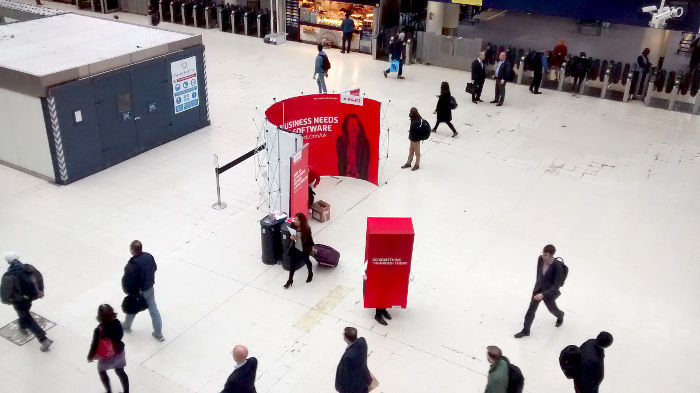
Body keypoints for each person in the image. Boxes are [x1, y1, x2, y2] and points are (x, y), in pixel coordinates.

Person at [0, 251, 53, 352]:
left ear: (8, 262)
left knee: (26, 317)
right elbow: (39, 278)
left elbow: (4, 294)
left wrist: (7, 301)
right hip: (32, 297)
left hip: (19, 301)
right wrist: (40, 291)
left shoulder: (8, 276)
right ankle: (22, 326)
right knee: (24, 314)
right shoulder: (29, 268)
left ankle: (43, 339)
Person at [514, 244, 566, 338]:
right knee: (531, 310)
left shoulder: (558, 268)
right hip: (538, 289)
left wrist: (543, 294)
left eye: (545, 255)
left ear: (551, 255)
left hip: (548, 293)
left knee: (552, 309)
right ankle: (526, 330)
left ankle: (560, 315)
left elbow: (556, 286)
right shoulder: (540, 259)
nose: (543, 256)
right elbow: (539, 274)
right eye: (543, 253)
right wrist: (538, 287)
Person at [121, 240, 164, 341]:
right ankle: (158, 333)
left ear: (132, 250)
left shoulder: (131, 265)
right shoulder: (149, 256)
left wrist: (128, 291)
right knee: (154, 310)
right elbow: (155, 267)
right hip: (149, 288)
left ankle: (126, 326)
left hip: (138, 291)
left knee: (133, 307)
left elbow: (127, 281)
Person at [87, 304, 129, 393]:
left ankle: (109, 391)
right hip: (119, 352)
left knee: (102, 371)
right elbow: (120, 336)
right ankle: (126, 391)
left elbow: (94, 345)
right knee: (120, 371)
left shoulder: (99, 330)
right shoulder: (117, 322)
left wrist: (90, 356)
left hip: (106, 355)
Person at [335, 327, 372, 393]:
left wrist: (339, 386)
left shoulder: (347, 357)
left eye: (344, 334)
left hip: (354, 384)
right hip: (364, 376)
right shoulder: (362, 341)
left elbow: (344, 373)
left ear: (346, 338)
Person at [284, 213, 314, 288]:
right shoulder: (293, 226)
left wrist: (312, 248)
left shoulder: (306, 229)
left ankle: (310, 274)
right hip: (295, 247)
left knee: (307, 261)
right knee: (292, 263)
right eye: (295, 219)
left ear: (302, 221)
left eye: (297, 220)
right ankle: (290, 279)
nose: (295, 221)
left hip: (304, 248)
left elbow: (309, 240)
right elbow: (289, 235)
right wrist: (291, 238)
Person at [336, 114, 370, 180]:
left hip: (360, 179)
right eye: (351, 124)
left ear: (359, 127)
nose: (353, 127)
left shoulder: (365, 143)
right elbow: (341, 164)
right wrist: (343, 180)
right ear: (346, 126)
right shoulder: (340, 141)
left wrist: (360, 183)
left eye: (356, 125)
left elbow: (364, 167)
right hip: (345, 178)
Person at [401, 107, 423, 171]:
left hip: (416, 139)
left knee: (417, 153)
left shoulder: (417, 120)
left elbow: (417, 130)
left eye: (411, 113)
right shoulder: (414, 117)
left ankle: (417, 165)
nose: (410, 114)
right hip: (412, 138)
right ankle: (408, 163)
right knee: (411, 151)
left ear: (414, 113)